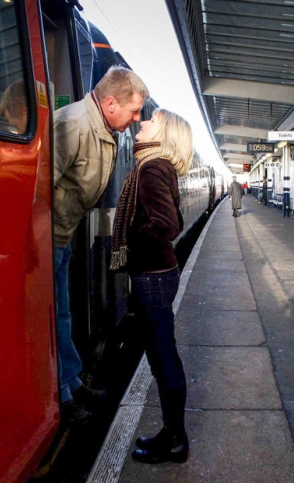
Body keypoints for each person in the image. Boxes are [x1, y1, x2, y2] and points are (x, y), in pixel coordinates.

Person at [54, 66, 149, 424]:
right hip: (49, 239)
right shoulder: (74, 125)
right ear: (111, 103)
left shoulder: (103, 127)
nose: (137, 119)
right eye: (134, 110)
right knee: (55, 315)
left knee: (63, 313)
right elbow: (39, 188)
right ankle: (63, 394)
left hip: (64, 235)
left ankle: (72, 382)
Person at [110, 108, 192, 464]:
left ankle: (175, 440)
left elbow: (167, 224)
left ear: (165, 134)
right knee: (162, 356)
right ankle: (172, 434)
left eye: (151, 121)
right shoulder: (158, 166)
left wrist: (133, 238)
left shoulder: (152, 168)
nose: (141, 123)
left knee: (163, 359)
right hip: (159, 274)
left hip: (153, 277)